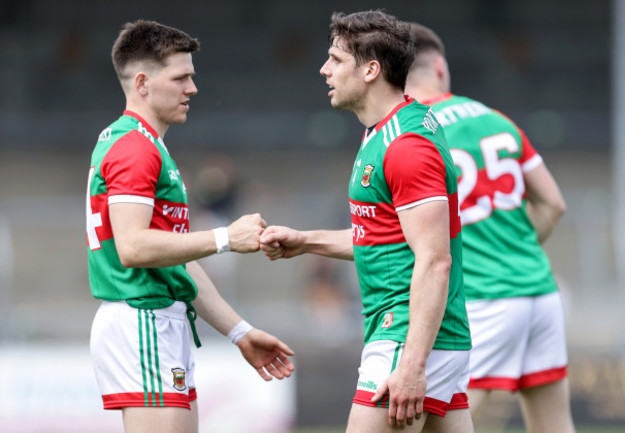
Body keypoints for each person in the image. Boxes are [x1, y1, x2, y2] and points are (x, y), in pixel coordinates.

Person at [260, 10, 473, 433]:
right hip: (424, 336)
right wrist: (306, 241)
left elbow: (435, 260)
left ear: (371, 70)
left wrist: (411, 364)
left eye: (336, 59)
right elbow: (383, 238)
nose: (324, 70)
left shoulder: (406, 145)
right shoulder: (384, 130)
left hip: (406, 336)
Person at [85, 20, 294, 433]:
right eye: (181, 77)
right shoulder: (134, 148)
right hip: (143, 319)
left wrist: (240, 332)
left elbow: (177, 259)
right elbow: (132, 247)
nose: (192, 89)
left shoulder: (145, 143)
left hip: (157, 321)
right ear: (142, 83)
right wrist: (225, 239)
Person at [405, 22, 575, 433]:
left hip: (483, 300)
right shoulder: (495, 118)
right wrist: (512, 252)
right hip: (539, 291)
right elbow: (553, 203)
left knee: (440, 425)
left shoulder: (413, 131)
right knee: (554, 425)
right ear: (440, 67)